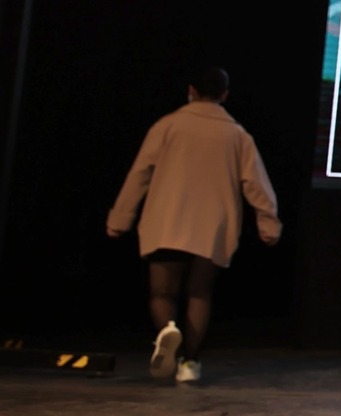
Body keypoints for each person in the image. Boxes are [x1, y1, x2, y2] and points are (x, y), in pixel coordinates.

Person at [106, 66, 282, 384]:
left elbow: (140, 173)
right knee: (200, 294)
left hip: (167, 219)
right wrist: (268, 223)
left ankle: (167, 330)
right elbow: (256, 183)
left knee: (162, 293)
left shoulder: (167, 126)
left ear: (191, 90)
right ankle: (190, 362)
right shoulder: (237, 135)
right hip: (213, 225)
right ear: (224, 94)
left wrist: (121, 217)